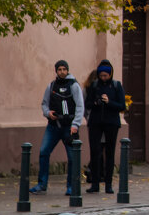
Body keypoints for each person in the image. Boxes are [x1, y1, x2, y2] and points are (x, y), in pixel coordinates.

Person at [30, 59, 84, 195]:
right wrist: (48, 113)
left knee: (72, 157)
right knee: (43, 152)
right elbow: (44, 103)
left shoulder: (74, 85)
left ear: (67, 70)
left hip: (69, 127)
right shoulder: (51, 86)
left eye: (64, 69)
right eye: (59, 69)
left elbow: (80, 106)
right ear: (56, 71)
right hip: (53, 126)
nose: (62, 72)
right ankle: (42, 184)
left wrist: (76, 124)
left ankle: (71, 187)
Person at [85, 59, 125, 194]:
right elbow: (87, 103)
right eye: (101, 75)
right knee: (95, 152)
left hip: (111, 123)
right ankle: (95, 183)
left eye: (105, 76)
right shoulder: (95, 85)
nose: (103, 78)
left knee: (109, 153)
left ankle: (108, 184)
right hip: (96, 122)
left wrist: (109, 102)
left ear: (110, 74)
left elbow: (122, 106)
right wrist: (96, 102)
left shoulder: (116, 85)